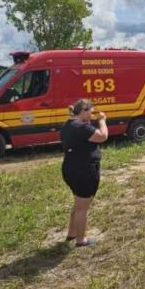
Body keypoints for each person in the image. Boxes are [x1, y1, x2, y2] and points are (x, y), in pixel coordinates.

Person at [61, 99, 109, 247]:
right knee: (82, 208)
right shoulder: (81, 127)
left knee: (78, 204)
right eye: (90, 112)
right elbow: (102, 136)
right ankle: (81, 241)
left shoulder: (68, 124)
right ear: (83, 110)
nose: (92, 115)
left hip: (71, 168)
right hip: (84, 170)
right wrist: (102, 121)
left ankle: (72, 233)